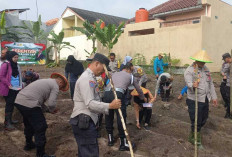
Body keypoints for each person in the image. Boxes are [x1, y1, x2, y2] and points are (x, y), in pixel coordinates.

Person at [70, 53, 121, 157]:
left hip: (86, 120)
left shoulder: (92, 78)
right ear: (97, 63)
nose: (104, 71)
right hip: (84, 120)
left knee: (85, 152)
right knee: (89, 153)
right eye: (104, 68)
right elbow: (90, 103)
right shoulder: (87, 79)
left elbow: (96, 98)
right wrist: (110, 106)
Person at [15, 73, 69, 157]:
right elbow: (51, 103)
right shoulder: (55, 86)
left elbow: (40, 101)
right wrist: (52, 109)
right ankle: (41, 154)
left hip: (19, 101)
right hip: (30, 103)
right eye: (61, 88)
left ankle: (29, 144)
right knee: (41, 127)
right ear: (61, 83)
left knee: (29, 124)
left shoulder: (45, 81)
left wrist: (47, 110)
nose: (60, 89)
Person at [103, 62, 145, 151]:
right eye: (132, 70)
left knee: (108, 115)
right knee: (121, 117)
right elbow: (138, 89)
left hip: (106, 93)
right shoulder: (130, 76)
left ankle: (110, 139)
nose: (132, 72)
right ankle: (123, 143)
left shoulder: (115, 73)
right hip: (117, 94)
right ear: (129, 69)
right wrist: (143, 98)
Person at [184, 50, 217, 146]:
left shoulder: (206, 69)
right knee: (196, 120)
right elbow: (188, 83)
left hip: (205, 98)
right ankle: (195, 139)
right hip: (194, 99)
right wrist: (192, 85)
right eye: (201, 61)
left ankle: (193, 133)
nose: (203, 63)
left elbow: (210, 83)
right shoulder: (189, 70)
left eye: (204, 61)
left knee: (204, 118)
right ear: (196, 60)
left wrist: (214, 97)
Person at [0, 51, 23, 130]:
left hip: (16, 88)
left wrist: (21, 85)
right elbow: (1, 76)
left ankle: (10, 120)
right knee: (9, 104)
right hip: (8, 88)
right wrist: (8, 84)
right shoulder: (5, 65)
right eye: (14, 57)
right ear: (10, 57)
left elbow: (19, 76)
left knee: (12, 103)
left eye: (17, 57)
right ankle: (7, 123)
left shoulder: (17, 65)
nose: (16, 59)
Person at [220, 53, 232, 119]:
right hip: (227, 83)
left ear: (227, 58)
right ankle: (228, 110)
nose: (224, 60)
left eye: (224, 59)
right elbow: (222, 71)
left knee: (229, 98)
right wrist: (222, 73)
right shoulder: (226, 64)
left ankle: (228, 113)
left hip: (229, 84)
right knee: (226, 96)